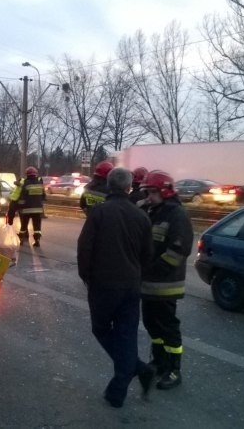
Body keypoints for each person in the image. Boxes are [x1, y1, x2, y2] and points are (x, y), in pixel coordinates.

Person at [77, 167, 157, 408]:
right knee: (127, 334)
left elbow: (84, 249)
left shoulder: (99, 213)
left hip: (103, 285)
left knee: (101, 329)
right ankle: (129, 378)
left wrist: (87, 278)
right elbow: (148, 254)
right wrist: (136, 275)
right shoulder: (141, 216)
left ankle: (136, 372)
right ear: (128, 187)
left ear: (110, 186)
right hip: (131, 286)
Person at [138, 170, 194, 390]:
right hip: (149, 283)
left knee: (168, 326)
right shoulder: (153, 211)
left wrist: (153, 269)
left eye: (152, 192)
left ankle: (174, 369)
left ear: (165, 191)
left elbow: (178, 251)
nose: (149, 196)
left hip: (166, 284)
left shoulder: (176, 215)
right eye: (147, 192)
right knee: (152, 324)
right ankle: (159, 361)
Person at [7, 166, 45, 247]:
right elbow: (44, 196)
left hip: (26, 210)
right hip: (38, 210)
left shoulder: (26, 183)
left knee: (24, 225)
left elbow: (22, 196)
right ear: (36, 174)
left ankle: (21, 239)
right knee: (37, 227)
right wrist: (40, 204)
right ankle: (37, 240)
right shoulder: (39, 183)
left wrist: (20, 206)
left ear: (27, 174)